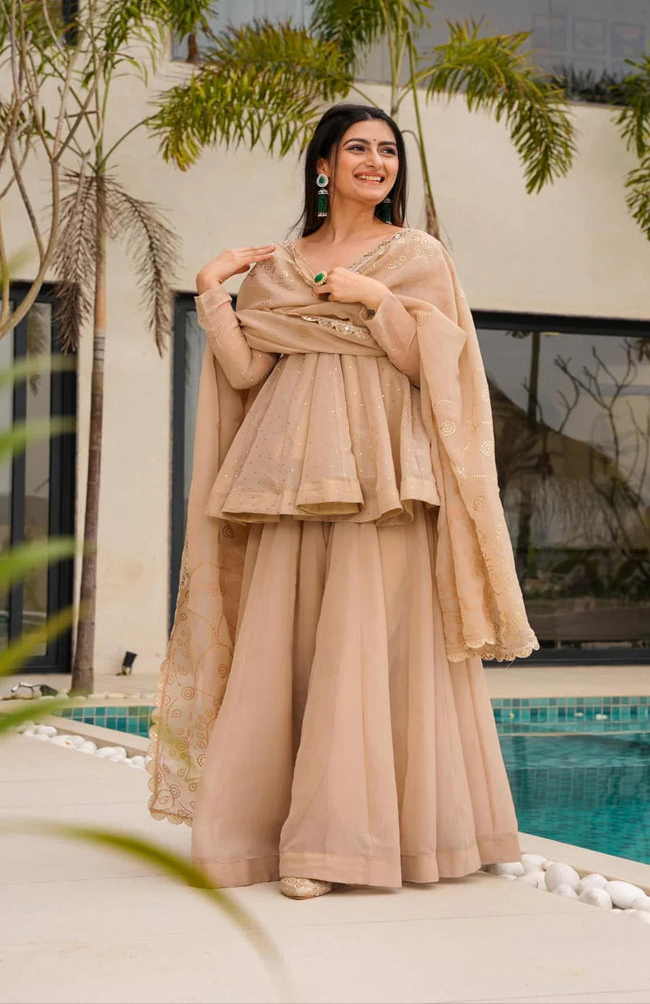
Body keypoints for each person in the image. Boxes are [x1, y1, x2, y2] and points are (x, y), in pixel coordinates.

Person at [147, 103, 539, 899]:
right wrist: (212, 290)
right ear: (323, 165)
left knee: (369, 649)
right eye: (357, 148)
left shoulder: (418, 254)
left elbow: (438, 367)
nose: (375, 162)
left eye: (387, 151)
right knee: (281, 652)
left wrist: (376, 300)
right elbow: (246, 372)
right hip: (287, 481)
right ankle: (263, 839)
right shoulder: (278, 269)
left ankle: (341, 850)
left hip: (384, 485)